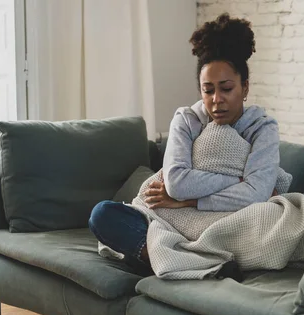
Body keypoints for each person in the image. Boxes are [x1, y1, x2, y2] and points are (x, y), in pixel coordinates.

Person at [89, 13, 281, 269]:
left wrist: (188, 201)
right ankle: (187, 260)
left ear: (244, 88)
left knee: (266, 221)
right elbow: (176, 183)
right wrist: (237, 181)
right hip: (170, 221)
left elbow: (256, 196)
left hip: (227, 224)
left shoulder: (262, 128)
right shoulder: (187, 119)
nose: (216, 99)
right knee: (102, 214)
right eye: (208, 90)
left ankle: (175, 259)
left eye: (226, 88)